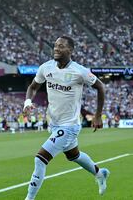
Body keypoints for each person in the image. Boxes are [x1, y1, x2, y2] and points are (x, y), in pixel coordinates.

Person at [23, 36, 109, 200]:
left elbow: (100, 86)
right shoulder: (46, 67)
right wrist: (27, 102)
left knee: (40, 160)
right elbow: (33, 87)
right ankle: (100, 173)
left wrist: (97, 115)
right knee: (73, 155)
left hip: (69, 125)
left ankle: (29, 199)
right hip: (54, 123)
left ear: (70, 50)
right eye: (55, 45)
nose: (56, 48)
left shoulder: (79, 71)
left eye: (61, 46)